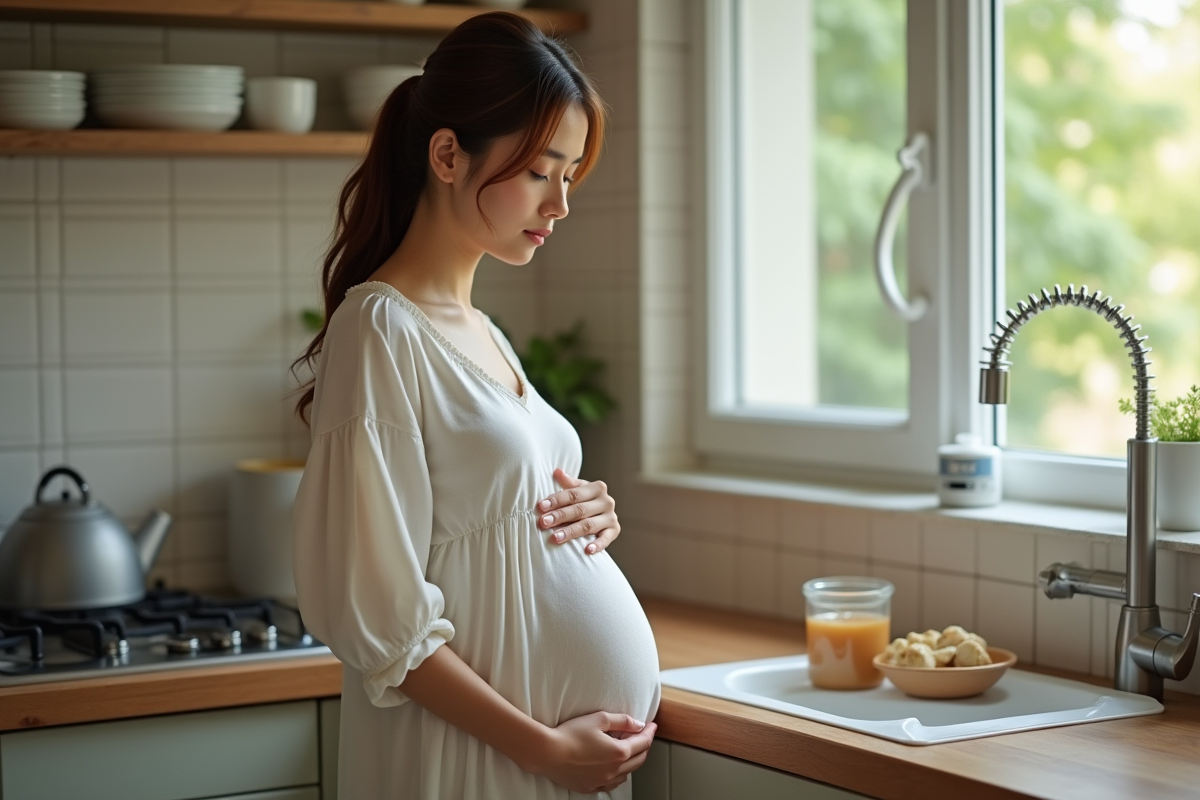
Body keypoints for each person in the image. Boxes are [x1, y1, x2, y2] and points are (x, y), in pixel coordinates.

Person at [290, 12, 661, 800]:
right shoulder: (380, 328)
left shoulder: (483, 332)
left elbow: (501, 516)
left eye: (571, 177)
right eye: (540, 173)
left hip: (553, 762)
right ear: (448, 156)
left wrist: (589, 513)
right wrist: (544, 750)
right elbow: (377, 616)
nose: (560, 205)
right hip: (479, 760)